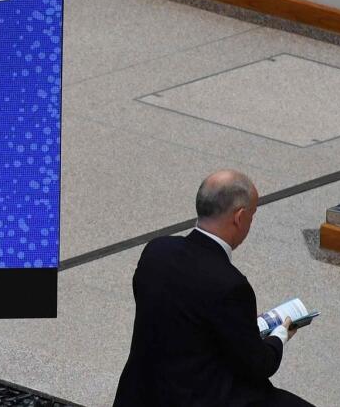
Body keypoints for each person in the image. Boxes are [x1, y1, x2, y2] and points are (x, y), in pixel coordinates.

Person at [113, 170, 313, 406]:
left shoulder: (156, 251)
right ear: (239, 217)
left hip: (139, 393)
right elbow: (259, 365)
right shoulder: (231, 285)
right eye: (252, 214)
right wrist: (279, 335)